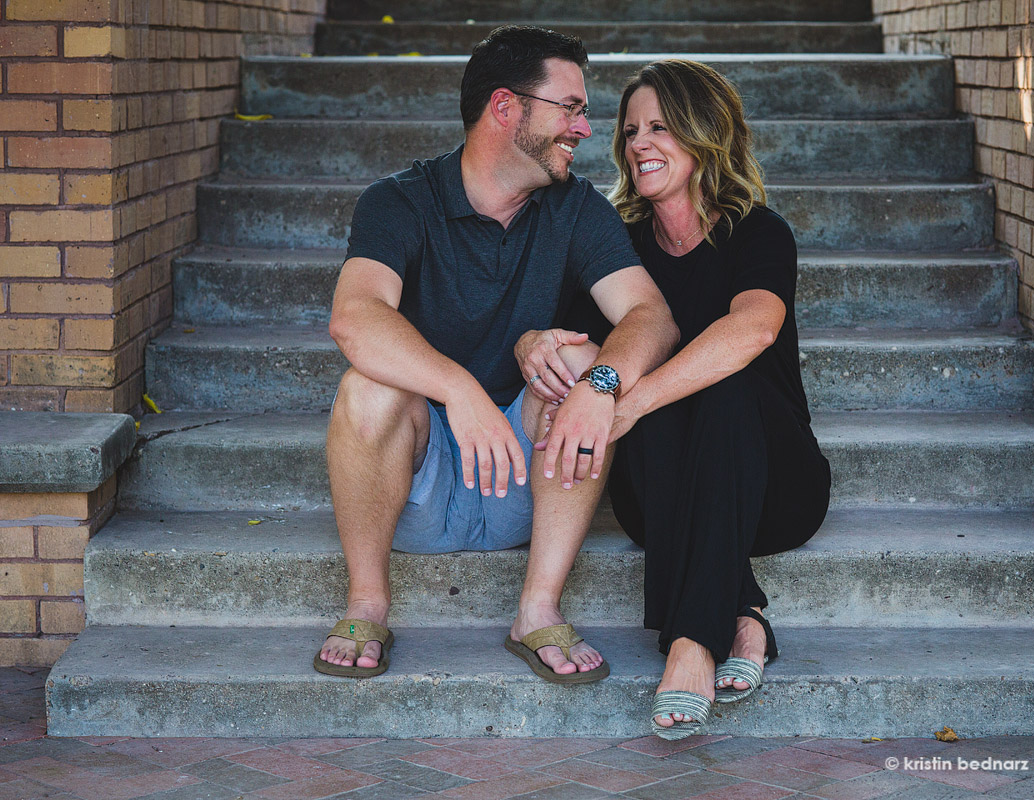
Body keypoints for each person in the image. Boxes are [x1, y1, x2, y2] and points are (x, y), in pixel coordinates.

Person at [314, 26, 678, 683]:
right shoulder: (400, 202)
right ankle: (367, 603)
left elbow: (651, 316)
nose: (586, 128)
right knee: (367, 386)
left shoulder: (577, 209)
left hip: (521, 472)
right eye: (570, 107)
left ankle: (537, 608)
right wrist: (459, 392)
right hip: (419, 478)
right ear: (506, 108)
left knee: (582, 362)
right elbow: (355, 317)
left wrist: (600, 382)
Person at [517, 59, 830, 737]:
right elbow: (578, 348)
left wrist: (629, 402)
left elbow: (756, 327)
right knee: (624, 378)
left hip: (775, 485)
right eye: (630, 131)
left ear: (703, 134)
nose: (638, 144)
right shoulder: (620, 246)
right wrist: (535, 345)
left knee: (721, 382)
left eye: (660, 127)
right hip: (659, 495)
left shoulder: (755, 231)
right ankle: (740, 614)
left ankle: (689, 643)